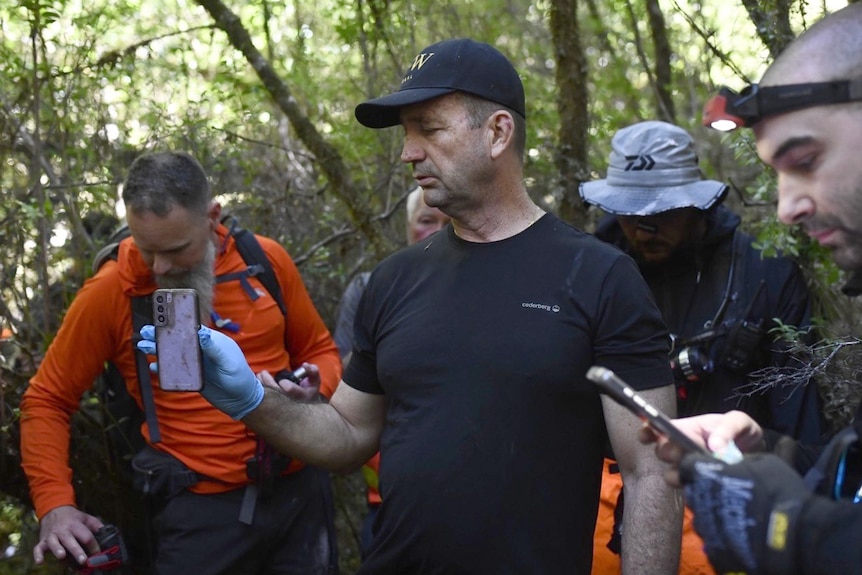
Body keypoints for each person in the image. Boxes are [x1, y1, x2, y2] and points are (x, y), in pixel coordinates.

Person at [141, 38, 684, 574]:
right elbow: (348, 436)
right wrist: (249, 400)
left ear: (497, 132)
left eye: (430, 128)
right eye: (406, 132)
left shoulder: (600, 277)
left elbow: (651, 473)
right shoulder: (395, 279)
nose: (408, 151)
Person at [20, 151, 342, 574]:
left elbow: (320, 349)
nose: (161, 267)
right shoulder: (112, 290)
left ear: (212, 217)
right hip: (202, 513)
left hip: (300, 494)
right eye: (145, 249)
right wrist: (55, 505)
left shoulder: (264, 261)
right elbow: (47, 399)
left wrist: (317, 389)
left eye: (175, 249)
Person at [639, 4, 862, 574]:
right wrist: (768, 456)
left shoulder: (759, 272)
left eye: (806, 160)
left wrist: (792, 529)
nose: (787, 207)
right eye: (777, 175)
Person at [579, 120, 825, 574]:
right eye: (632, 214)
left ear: (697, 202)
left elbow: (807, 436)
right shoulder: (588, 268)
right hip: (598, 515)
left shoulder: (763, 275)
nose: (644, 228)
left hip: (723, 506)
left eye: (663, 212)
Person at [332, 185, 449, 558]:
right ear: (409, 226)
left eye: (447, 223)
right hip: (387, 490)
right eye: (426, 220)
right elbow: (345, 372)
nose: (436, 231)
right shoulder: (372, 286)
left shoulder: (490, 291)